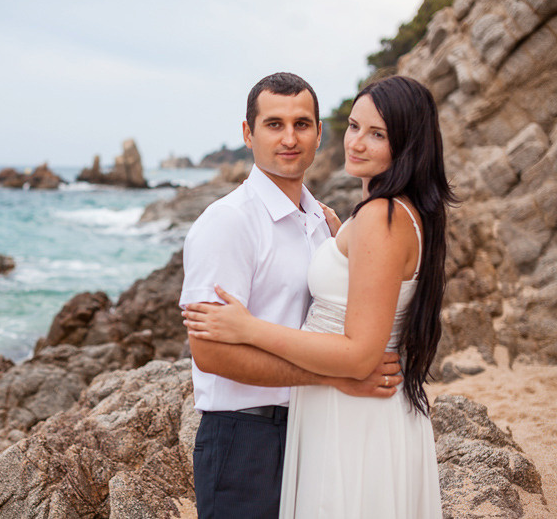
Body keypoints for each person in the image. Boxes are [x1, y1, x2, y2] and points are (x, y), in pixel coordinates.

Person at [183, 75, 456, 518]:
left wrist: (337, 236)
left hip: (322, 424)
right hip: (247, 437)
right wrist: (333, 378)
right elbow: (210, 354)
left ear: (317, 133)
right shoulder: (228, 223)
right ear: (248, 134)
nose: (289, 138)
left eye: (302, 124)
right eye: (273, 124)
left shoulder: (327, 220)